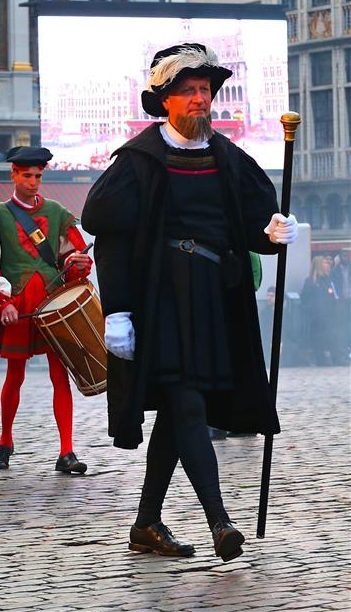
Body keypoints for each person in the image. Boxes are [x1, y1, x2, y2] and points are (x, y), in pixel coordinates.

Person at [81, 43, 299, 562]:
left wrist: (272, 231)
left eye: (205, 91)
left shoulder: (227, 157)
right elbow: (106, 232)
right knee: (188, 403)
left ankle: (146, 523)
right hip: (160, 299)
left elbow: (254, 223)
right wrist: (117, 311)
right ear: (165, 102)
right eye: (190, 92)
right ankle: (220, 521)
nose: (202, 100)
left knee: (182, 412)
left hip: (214, 298)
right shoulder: (139, 161)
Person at [0, 146, 93, 474]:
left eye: (38, 176)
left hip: (54, 306)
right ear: (13, 175)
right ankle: (5, 441)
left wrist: (80, 263)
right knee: (14, 376)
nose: (33, 182)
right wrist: (3, 305)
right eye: (27, 175)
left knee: (61, 376)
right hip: (17, 307)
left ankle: (67, 450)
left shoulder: (58, 212)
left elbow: (72, 260)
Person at [300, 255, 341, 366]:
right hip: (316, 318)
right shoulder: (310, 281)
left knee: (332, 338)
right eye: (324, 263)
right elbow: (304, 298)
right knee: (318, 340)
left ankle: (337, 359)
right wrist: (312, 311)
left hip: (328, 316)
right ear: (319, 265)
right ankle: (321, 360)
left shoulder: (328, 280)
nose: (327, 265)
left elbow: (332, 297)